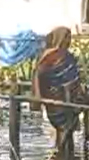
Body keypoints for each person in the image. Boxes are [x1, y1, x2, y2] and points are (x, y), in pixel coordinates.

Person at [32, 25, 81, 153]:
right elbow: (39, 74)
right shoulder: (55, 56)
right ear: (61, 38)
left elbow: (72, 76)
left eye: (70, 38)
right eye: (67, 37)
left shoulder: (56, 56)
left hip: (61, 99)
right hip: (59, 99)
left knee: (65, 131)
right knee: (64, 129)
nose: (69, 41)